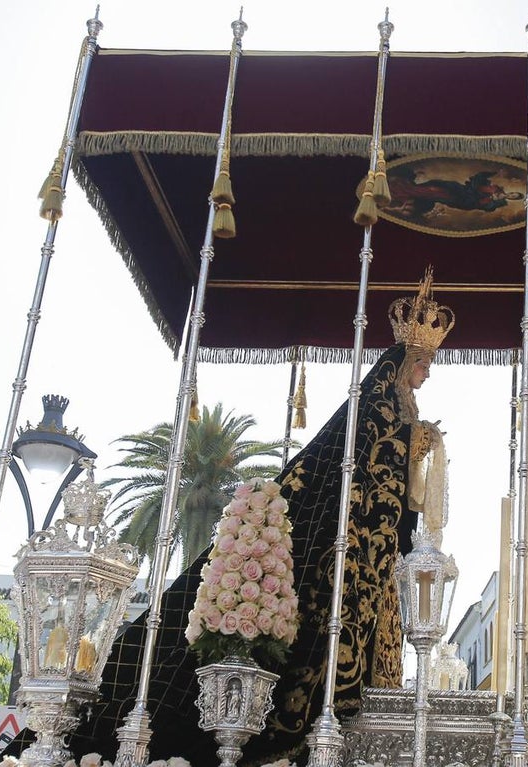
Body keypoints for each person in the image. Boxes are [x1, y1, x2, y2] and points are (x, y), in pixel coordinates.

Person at [67, 269, 453, 766]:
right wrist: (414, 440)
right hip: (342, 543)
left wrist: (418, 441)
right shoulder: (378, 407)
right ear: (401, 364)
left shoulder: (402, 410)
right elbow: (367, 465)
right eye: (422, 364)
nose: (427, 375)